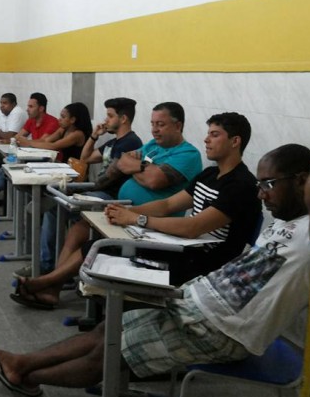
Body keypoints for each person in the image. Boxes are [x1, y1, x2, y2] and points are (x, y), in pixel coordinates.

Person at [0, 144, 310, 397]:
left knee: (112, 353)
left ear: (304, 182)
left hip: (224, 330)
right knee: (109, 329)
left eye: (269, 184)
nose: (262, 194)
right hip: (195, 301)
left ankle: (23, 370)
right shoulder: (288, 221)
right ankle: (23, 365)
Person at [10, 102, 202, 304]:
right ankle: (53, 287)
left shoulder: (188, 154)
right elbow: (122, 163)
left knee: (92, 239)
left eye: (160, 124)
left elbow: (154, 181)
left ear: (178, 126)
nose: (154, 129)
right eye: (152, 124)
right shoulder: (153, 146)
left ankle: (46, 282)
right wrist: (144, 168)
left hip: (149, 221)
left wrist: (135, 168)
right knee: (77, 230)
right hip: (123, 210)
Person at [105, 112, 262, 284]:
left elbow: (192, 227)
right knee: (105, 250)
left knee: (110, 259)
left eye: (214, 135)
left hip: (206, 267)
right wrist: (125, 211)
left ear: (235, 141)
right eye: (208, 133)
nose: (206, 139)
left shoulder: (241, 185)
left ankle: (114, 308)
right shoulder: (209, 174)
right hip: (186, 251)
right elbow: (168, 205)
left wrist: (137, 218)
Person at [16, 97, 143, 277]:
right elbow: (86, 158)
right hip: (99, 190)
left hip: (109, 195)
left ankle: (49, 266)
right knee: (55, 206)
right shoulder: (114, 141)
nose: (105, 120)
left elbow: (108, 180)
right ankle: (49, 264)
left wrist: (81, 189)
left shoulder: (130, 142)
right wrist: (94, 136)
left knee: (56, 206)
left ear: (123, 119)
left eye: (110, 116)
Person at [16, 102, 92, 164]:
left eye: (63, 117)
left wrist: (28, 143)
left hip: (76, 171)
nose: (59, 119)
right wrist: (25, 141)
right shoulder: (63, 129)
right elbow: (46, 140)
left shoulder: (77, 134)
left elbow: (54, 146)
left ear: (72, 120)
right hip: (64, 166)